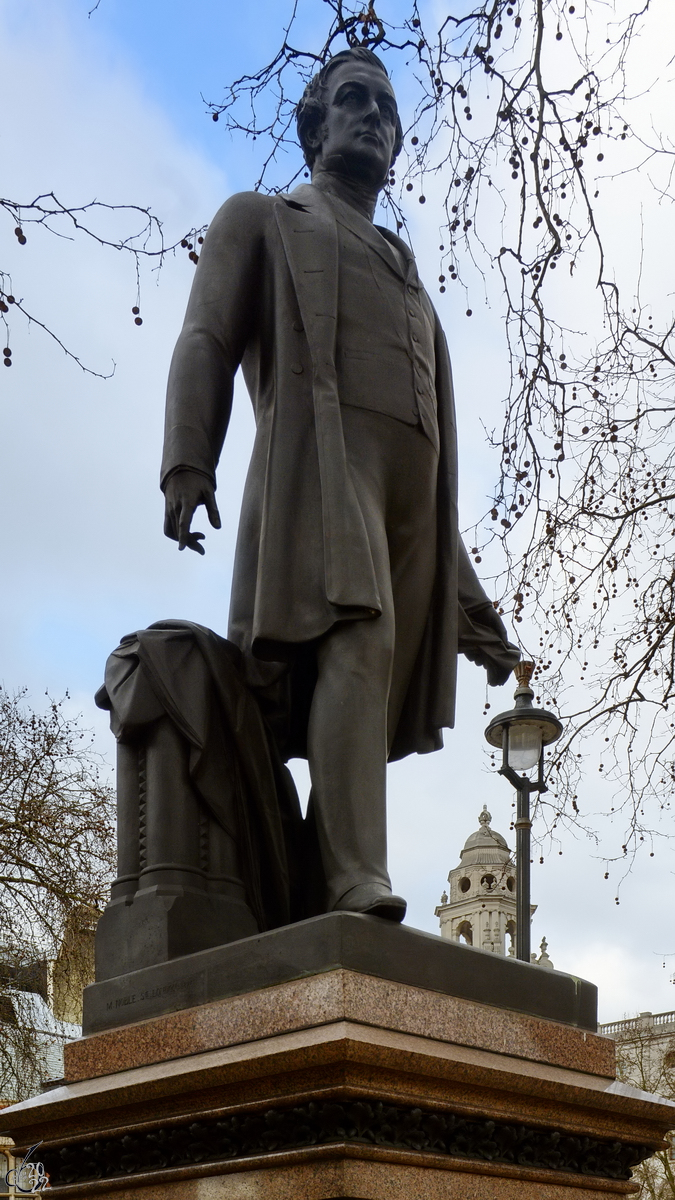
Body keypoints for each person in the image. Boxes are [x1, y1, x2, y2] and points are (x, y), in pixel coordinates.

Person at [161, 46, 519, 924]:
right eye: (354, 101)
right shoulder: (262, 218)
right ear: (314, 124)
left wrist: (467, 603)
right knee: (356, 640)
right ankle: (357, 878)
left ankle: (321, 880)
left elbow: (432, 466)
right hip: (321, 474)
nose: (374, 119)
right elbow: (206, 336)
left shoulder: (406, 271)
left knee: (365, 695)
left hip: (406, 508)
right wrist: (187, 457)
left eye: (389, 112)